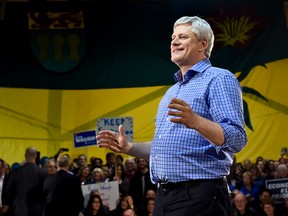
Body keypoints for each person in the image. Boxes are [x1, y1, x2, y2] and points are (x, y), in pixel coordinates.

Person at [96, 15, 247, 216]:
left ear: (203, 45)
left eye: (183, 37)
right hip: (164, 197)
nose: (174, 42)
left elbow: (237, 137)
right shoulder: (172, 91)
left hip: (200, 196)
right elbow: (163, 149)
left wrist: (196, 121)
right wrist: (129, 147)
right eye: (173, 37)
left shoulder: (219, 78)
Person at [5, 146, 48, 216]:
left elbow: (8, 192)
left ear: (25, 156)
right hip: (37, 211)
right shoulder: (43, 173)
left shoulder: (15, 172)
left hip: (19, 210)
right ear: (36, 156)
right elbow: (46, 193)